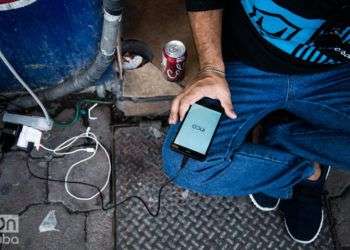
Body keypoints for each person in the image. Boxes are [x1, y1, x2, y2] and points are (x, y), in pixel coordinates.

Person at [162, 0, 350, 244]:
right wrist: (211, 68)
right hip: (246, 64)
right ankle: (307, 171)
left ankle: (281, 139)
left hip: (334, 77)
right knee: (185, 164)